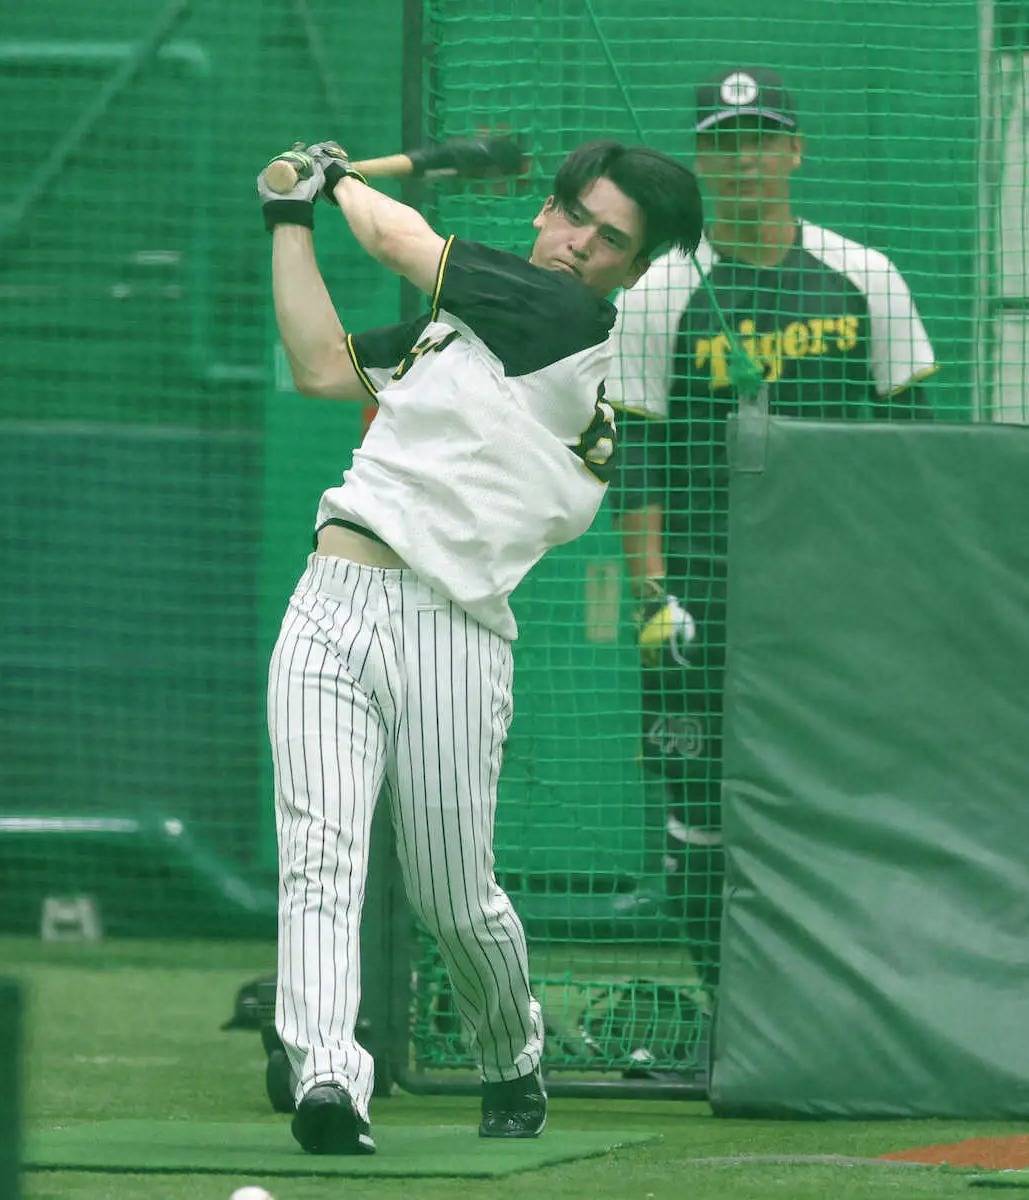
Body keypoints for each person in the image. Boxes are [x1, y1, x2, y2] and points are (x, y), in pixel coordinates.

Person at [257, 136, 703, 1154]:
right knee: (319, 853)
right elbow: (324, 367)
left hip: (453, 631)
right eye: (572, 217)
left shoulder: (563, 322)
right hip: (332, 596)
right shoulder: (455, 331)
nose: (579, 244)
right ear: (543, 213)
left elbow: (402, 241)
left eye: (609, 240)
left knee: (453, 898)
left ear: (627, 274)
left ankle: (509, 1058)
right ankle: (328, 1076)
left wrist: (332, 179)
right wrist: (286, 222)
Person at [607, 67, 937, 1019]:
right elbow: (635, 457)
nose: (743, 160)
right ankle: (732, 1010)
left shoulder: (863, 276)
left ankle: (839, 1007)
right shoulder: (660, 289)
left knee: (834, 801)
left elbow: (911, 444)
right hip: (702, 595)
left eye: (760, 139)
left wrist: (899, 591)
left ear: (794, 149)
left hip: (834, 594)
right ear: (700, 160)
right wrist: (651, 593)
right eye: (721, 143)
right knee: (700, 813)